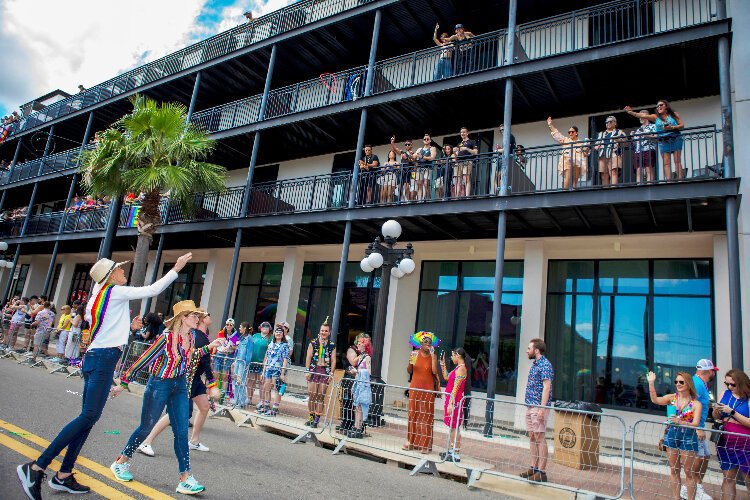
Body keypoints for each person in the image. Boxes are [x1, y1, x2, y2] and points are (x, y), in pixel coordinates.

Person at [17, 254, 190, 500]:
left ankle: (63, 474)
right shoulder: (115, 290)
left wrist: (126, 327)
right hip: (103, 359)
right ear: (110, 276)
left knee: (88, 418)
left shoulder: (97, 294)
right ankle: (36, 467)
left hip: (95, 357)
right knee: (88, 416)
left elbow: (98, 322)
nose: (122, 271)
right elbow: (153, 289)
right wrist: (177, 268)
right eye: (118, 270)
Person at [110, 300, 221, 495]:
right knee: (146, 426)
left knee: (181, 431)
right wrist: (124, 382)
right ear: (183, 318)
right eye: (194, 315)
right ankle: (121, 462)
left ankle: (185, 478)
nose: (198, 318)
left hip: (180, 385)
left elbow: (192, 355)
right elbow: (145, 358)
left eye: (198, 315)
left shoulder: (192, 336)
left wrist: (210, 346)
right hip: (159, 384)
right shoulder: (166, 338)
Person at [136, 311, 219, 457]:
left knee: (204, 407)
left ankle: (194, 441)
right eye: (205, 315)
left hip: (195, 378)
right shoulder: (194, 336)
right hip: (187, 378)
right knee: (175, 413)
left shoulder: (201, 336)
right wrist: (212, 385)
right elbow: (198, 358)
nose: (209, 316)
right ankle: (146, 441)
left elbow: (201, 359)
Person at [647, 370, 702, 500]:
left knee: (689, 472)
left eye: (681, 382)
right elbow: (655, 400)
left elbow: (696, 424)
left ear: (688, 384)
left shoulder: (696, 404)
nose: (678, 384)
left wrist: (681, 422)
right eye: (676, 381)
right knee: (673, 469)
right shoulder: (672, 398)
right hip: (672, 433)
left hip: (688, 436)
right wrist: (651, 383)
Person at [713, 369, 750, 500]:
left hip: (746, 444)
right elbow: (716, 417)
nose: (729, 387)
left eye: (733, 384)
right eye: (726, 383)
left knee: (748, 479)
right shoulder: (725, 394)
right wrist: (716, 411)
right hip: (725, 443)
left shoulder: (748, 398)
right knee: (728, 477)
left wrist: (732, 412)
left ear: (741, 383)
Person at [520, 338, 554, 483]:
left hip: (538, 407)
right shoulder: (535, 365)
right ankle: (533, 468)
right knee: (533, 436)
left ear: (537, 350)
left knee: (540, 437)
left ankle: (542, 472)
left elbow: (547, 387)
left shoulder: (545, 365)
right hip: (530, 406)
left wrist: (542, 408)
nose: (527, 350)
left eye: (529, 348)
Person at [624, 101, 685, 180]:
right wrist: (631, 112)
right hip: (663, 140)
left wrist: (672, 127)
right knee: (666, 163)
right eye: (657, 106)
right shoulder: (656, 117)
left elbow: (682, 125)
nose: (659, 107)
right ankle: (669, 181)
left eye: (661, 105)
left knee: (677, 160)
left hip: (675, 138)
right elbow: (642, 115)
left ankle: (680, 179)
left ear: (666, 106)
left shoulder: (673, 114)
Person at [687, 359, 718, 500]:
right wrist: (697, 427)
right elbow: (689, 405)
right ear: (708, 371)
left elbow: (700, 403)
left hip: (700, 425)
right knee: (698, 459)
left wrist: (713, 406)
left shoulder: (701, 383)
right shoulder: (697, 384)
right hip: (696, 427)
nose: (713, 373)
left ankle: (697, 486)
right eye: (713, 371)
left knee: (705, 457)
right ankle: (691, 489)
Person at [403, 332, 439, 454]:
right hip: (415, 386)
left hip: (427, 388)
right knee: (413, 414)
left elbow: (434, 372)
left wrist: (433, 356)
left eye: (429, 342)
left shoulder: (433, 356)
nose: (427, 344)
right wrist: (410, 361)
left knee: (426, 415)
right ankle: (411, 441)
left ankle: (426, 444)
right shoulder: (414, 354)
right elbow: (409, 370)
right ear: (420, 344)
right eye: (425, 342)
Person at [439, 347, 470, 462]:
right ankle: (452, 450)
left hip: (455, 400)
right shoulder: (458, 368)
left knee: (455, 427)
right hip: (451, 398)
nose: (451, 358)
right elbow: (447, 377)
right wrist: (442, 364)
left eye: (452, 355)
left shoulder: (461, 369)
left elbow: (456, 388)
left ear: (458, 355)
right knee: (452, 426)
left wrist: (451, 403)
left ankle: (455, 453)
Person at [305, 317, 336, 428]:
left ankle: (316, 421)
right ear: (319, 331)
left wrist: (331, 373)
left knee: (321, 396)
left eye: (326, 331)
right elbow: (308, 357)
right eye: (322, 330)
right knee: (312, 395)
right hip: (314, 370)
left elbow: (333, 360)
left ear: (329, 332)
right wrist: (307, 371)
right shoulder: (313, 342)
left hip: (325, 371)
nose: (324, 332)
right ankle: (311, 418)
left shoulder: (332, 345)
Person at [337, 333, 369, 433]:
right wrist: (362, 354)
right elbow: (353, 363)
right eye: (361, 341)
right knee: (348, 403)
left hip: (359, 380)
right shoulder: (352, 349)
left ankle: (358, 425)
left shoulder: (365, 353)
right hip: (350, 378)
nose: (362, 344)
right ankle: (346, 424)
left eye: (365, 342)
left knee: (358, 405)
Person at [547, 117, 589, 190]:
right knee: (568, 177)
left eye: (572, 132)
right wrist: (550, 125)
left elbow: (585, 154)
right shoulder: (565, 140)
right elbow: (557, 134)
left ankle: (574, 193)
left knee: (575, 179)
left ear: (576, 133)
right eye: (569, 132)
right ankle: (564, 194)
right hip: (567, 160)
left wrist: (587, 148)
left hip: (577, 162)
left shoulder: (581, 143)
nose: (570, 133)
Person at [258, 324, 290, 416]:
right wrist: (263, 371)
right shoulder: (271, 344)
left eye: (280, 332)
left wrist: (282, 373)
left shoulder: (285, 345)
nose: (278, 334)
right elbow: (267, 358)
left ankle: (274, 409)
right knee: (266, 388)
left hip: (278, 370)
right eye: (277, 332)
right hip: (268, 369)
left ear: (283, 334)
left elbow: (285, 359)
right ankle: (266, 407)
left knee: (277, 389)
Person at [348, 335, 372, 439]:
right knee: (357, 406)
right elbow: (354, 363)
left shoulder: (367, 357)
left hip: (363, 385)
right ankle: (356, 426)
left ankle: (359, 428)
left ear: (364, 345)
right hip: (358, 383)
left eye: (360, 343)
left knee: (361, 407)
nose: (357, 345)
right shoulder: (360, 356)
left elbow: (369, 372)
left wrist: (357, 371)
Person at [594, 116, 627, 186]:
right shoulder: (601, 134)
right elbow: (596, 144)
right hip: (602, 155)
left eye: (610, 122)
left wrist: (619, 140)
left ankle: (613, 189)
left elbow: (626, 142)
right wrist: (596, 147)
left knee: (613, 172)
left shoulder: (619, 132)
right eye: (606, 122)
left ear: (615, 123)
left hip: (614, 153)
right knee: (603, 175)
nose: (608, 123)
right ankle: (606, 191)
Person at [249, 321, 272, 409]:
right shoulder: (255, 336)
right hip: (252, 361)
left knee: (261, 382)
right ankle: (249, 398)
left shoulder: (270, 338)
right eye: (263, 326)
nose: (265, 328)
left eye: (267, 326)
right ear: (260, 327)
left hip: (262, 363)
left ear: (269, 328)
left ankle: (262, 401)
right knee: (250, 380)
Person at [214, 318, 238, 400]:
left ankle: (223, 394)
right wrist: (213, 353)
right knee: (216, 374)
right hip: (220, 354)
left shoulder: (234, 334)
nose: (228, 326)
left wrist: (230, 345)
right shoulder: (221, 332)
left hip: (229, 355)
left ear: (233, 326)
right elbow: (217, 343)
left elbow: (235, 347)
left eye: (230, 325)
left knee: (225, 375)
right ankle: (214, 391)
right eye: (227, 324)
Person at [630, 110, 657, 183]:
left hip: (649, 149)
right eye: (639, 117)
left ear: (647, 117)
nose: (640, 118)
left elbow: (657, 136)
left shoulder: (653, 126)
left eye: (642, 116)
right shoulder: (638, 130)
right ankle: (639, 186)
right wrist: (632, 137)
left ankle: (649, 186)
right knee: (639, 170)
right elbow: (634, 144)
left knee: (649, 169)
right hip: (638, 151)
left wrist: (647, 135)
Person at [232, 321, 254, 409]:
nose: (239, 329)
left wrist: (246, 364)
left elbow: (249, 353)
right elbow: (232, 341)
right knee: (236, 381)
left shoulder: (249, 338)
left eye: (241, 327)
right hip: (237, 361)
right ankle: (236, 400)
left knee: (240, 381)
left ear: (245, 328)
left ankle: (241, 402)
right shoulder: (241, 337)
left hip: (243, 363)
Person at [454, 127, 478, 197]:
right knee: (457, 181)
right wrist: (454, 152)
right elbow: (456, 156)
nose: (462, 133)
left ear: (467, 133)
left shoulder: (472, 141)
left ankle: (467, 196)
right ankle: (456, 197)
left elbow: (475, 152)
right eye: (461, 132)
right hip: (458, 163)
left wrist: (467, 148)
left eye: (464, 132)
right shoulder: (459, 144)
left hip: (467, 162)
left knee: (466, 178)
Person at [413, 133, 437, 201]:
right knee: (419, 185)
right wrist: (408, 155)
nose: (426, 140)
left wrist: (423, 157)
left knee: (426, 184)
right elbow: (413, 157)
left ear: (430, 140)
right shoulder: (420, 149)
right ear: (423, 140)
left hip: (428, 168)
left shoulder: (432, 148)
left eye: (427, 139)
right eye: (425, 139)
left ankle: (427, 199)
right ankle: (419, 200)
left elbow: (432, 157)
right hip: (419, 168)